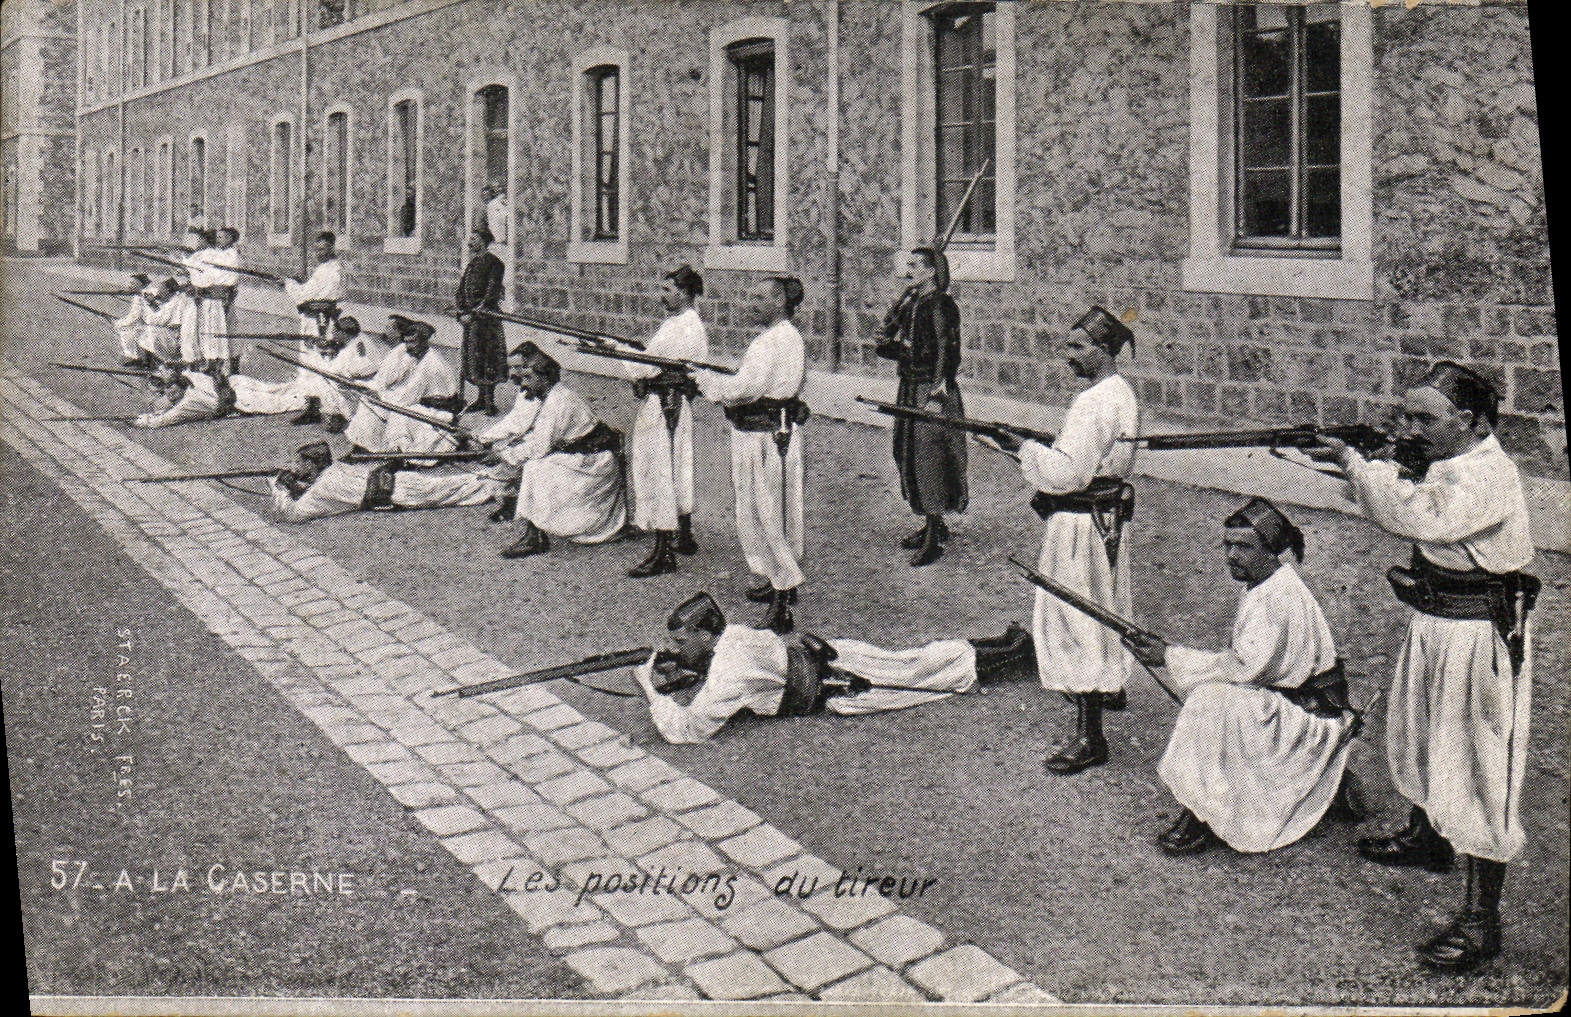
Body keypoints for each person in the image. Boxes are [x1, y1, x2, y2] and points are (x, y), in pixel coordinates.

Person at [1310, 361, 1537, 973]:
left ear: (1469, 422)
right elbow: (1413, 495)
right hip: (1436, 618)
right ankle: (1427, 835)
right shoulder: (1451, 461)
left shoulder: (1489, 472)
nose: (1410, 427)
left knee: (1479, 766)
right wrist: (1366, 469)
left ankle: (1480, 922)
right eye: (1406, 414)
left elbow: (1422, 515)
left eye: (1424, 418)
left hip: (1479, 631)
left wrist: (1363, 469)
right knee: (1419, 732)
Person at [1123, 498, 1363, 856]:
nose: (1232, 555)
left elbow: (1245, 668)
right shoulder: (1266, 583)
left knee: (1212, 702)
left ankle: (1200, 814)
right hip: (1285, 697)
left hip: (1308, 712)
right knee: (1216, 698)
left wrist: (1168, 655)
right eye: (1228, 545)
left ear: (1271, 552)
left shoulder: (1279, 596)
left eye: (1244, 547)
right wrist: (1171, 656)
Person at [991, 306, 1139, 775]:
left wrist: (1022, 450)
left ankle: (1090, 737)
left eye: (1078, 346)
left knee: (1078, 618)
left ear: (1104, 349)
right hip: (1104, 519)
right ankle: (1111, 688)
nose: (1067, 355)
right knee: (1103, 606)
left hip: (1080, 523)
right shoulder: (1119, 393)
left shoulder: (1095, 402)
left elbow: (1068, 473)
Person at [629, 593, 1034, 745]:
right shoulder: (733, 635)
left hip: (844, 686)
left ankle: (1018, 652)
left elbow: (690, 729)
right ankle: (1007, 643)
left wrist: (651, 689)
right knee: (921, 661)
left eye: (683, 641)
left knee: (928, 673)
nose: (675, 647)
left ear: (705, 635)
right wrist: (684, 663)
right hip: (836, 659)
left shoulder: (729, 670)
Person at [696, 277, 808, 633]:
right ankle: (775, 580)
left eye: (759, 298)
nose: (751, 303)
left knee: (768, 513)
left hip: (765, 437)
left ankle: (782, 596)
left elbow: (746, 388)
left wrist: (704, 382)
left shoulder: (770, 341)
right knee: (767, 510)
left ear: (779, 302)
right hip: (765, 433)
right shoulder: (783, 338)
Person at [877, 247, 967, 566]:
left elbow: (948, 348)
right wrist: (901, 302)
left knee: (929, 457)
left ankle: (934, 536)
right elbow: (882, 340)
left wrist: (938, 392)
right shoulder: (912, 302)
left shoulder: (943, 305)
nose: (908, 271)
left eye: (915, 266)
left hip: (932, 389)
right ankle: (933, 524)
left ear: (930, 271)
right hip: (909, 387)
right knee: (904, 452)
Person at [617, 265, 708, 578]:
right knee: (676, 466)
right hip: (675, 404)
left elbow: (645, 368)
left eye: (668, 291)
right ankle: (684, 534)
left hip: (664, 406)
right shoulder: (687, 323)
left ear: (684, 293)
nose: (662, 297)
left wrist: (621, 351)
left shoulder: (681, 326)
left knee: (660, 472)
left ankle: (663, 550)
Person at [492, 346, 627, 558]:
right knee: (537, 465)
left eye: (528, 377)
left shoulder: (557, 401)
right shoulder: (555, 395)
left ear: (544, 378)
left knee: (535, 468)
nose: (523, 383)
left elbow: (539, 448)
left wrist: (504, 455)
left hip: (595, 462)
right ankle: (535, 528)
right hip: (584, 456)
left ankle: (534, 536)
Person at [270, 441, 504, 524]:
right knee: (450, 486)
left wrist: (280, 489)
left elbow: (293, 515)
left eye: (299, 463)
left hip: (397, 493)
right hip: (399, 481)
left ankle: (500, 482)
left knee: (452, 494)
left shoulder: (322, 488)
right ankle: (493, 478)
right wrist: (296, 485)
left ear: (312, 465)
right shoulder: (335, 469)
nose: (295, 467)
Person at [343, 315, 461, 455]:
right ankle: (365, 446)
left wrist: (379, 396)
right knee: (371, 403)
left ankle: (383, 451)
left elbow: (407, 397)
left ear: (424, 342)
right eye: (406, 343)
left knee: (384, 410)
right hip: (423, 401)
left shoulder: (429, 365)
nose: (408, 347)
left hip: (438, 409)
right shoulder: (421, 357)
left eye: (412, 342)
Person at [455, 227, 507, 415]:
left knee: (488, 358)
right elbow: (461, 290)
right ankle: (479, 398)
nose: (470, 241)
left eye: (474, 238)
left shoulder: (495, 263)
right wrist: (461, 313)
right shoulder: (472, 263)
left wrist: (475, 314)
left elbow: (491, 294)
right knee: (473, 359)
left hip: (486, 320)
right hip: (470, 320)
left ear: (483, 241)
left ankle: (489, 402)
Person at [132, 362, 237, 428]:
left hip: (239, 399)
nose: (170, 395)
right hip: (234, 387)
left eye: (172, 391)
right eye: (167, 389)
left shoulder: (188, 401)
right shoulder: (192, 381)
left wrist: (143, 421)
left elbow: (164, 420)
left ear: (181, 387)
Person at [283, 231, 345, 338]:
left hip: (315, 320)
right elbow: (317, 288)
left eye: (321, 249)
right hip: (329, 317)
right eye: (316, 250)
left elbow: (303, 295)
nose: (318, 253)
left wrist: (287, 283)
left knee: (313, 351)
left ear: (331, 249)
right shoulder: (336, 267)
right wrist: (300, 283)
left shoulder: (324, 271)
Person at [112, 273, 153, 365]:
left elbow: (134, 316)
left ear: (140, 285)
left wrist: (120, 323)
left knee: (124, 330)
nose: (130, 286)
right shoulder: (141, 294)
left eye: (133, 284)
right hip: (146, 322)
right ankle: (137, 356)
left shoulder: (141, 296)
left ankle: (135, 357)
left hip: (148, 324)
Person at [482, 183, 509, 248]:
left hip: (499, 238)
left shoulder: (495, 204)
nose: (485, 197)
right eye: (483, 195)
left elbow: (504, 218)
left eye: (487, 195)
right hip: (493, 239)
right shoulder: (490, 205)